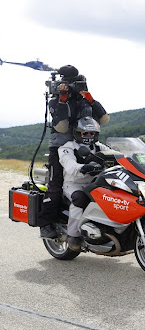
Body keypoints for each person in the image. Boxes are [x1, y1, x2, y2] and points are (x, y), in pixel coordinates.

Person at [38, 65, 109, 239]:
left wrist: (90, 98)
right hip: (62, 147)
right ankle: (46, 224)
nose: (74, 88)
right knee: (56, 185)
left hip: (87, 144)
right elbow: (61, 127)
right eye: (71, 84)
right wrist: (62, 100)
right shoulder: (55, 101)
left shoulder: (84, 100)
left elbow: (104, 120)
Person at [58, 117, 108, 250]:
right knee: (79, 199)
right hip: (73, 184)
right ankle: (73, 235)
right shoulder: (67, 148)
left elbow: (114, 155)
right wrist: (83, 168)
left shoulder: (99, 147)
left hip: (95, 183)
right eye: (85, 133)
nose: (89, 136)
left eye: (91, 133)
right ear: (77, 133)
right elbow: (69, 165)